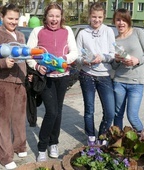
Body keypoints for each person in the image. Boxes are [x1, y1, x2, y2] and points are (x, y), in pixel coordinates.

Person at [26, 2, 78, 162]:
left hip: (62, 77)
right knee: (52, 112)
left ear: (61, 17)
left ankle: (53, 143)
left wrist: (63, 60)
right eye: (51, 16)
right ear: (46, 17)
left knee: (59, 111)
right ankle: (42, 147)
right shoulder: (37, 31)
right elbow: (29, 54)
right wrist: (37, 66)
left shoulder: (67, 30)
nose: (54, 19)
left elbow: (74, 52)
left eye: (57, 16)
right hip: (45, 78)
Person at [76, 2, 115, 145]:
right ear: (89, 16)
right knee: (89, 109)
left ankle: (102, 135)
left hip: (104, 74)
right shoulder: (82, 33)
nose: (96, 20)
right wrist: (84, 61)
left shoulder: (108, 31)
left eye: (99, 17)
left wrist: (103, 57)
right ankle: (91, 136)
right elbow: (77, 56)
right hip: (87, 74)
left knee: (110, 111)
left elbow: (113, 54)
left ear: (104, 16)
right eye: (94, 17)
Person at [112, 9, 144, 133]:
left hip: (136, 83)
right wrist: (117, 60)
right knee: (117, 114)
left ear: (129, 21)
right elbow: (113, 66)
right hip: (119, 82)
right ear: (114, 21)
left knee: (132, 116)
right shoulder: (114, 40)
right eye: (118, 20)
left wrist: (137, 60)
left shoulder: (138, 32)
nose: (121, 23)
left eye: (124, 20)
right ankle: (118, 142)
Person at [0, 4, 27, 170]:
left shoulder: (20, 35)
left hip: (20, 81)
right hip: (4, 82)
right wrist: (3, 62)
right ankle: (5, 156)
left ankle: (19, 146)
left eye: (16, 19)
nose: (14, 21)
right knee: (3, 120)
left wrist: (29, 72)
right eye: (10, 18)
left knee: (19, 117)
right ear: (2, 17)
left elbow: (26, 56)